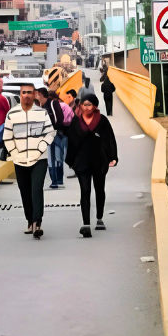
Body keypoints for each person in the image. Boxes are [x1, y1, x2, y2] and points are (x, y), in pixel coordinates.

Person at [3, 83, 55, 239]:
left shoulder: (42, 113)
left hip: (39, 159)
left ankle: (37, 223)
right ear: (20, 94)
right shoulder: (12, 114)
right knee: (25, 192)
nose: (26, 95)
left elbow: (50, 133)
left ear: (34, 95)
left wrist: (40, 148)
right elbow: (7, 137)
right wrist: (14, 153)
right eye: (24, 92)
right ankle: (30, 220)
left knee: (36, 189)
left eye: (30, 92)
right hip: (19, 160)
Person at [66, 93, 118, 238]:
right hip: (82, 161)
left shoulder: (102, 121)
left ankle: (99, 217)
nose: (87, 107)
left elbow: (110, 139)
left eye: (89, 104)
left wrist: (113, 156)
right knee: (85, 190)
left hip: (99, 160)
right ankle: (86, 224)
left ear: (95, 106)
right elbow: (71, 141)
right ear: (80, 105)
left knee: (99, 189)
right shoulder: (76, 122)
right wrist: (71, 160)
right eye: (84, 104)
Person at [35, 87, 74, 189]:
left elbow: (59, 119)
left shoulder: (53, 104)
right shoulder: (40, 106)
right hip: (48, 135)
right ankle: (56, 180)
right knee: (53, 157)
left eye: (36, 94)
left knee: (55, 157)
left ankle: (56, 181)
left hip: (55, 134)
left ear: (40, 94)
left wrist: (50, 128)